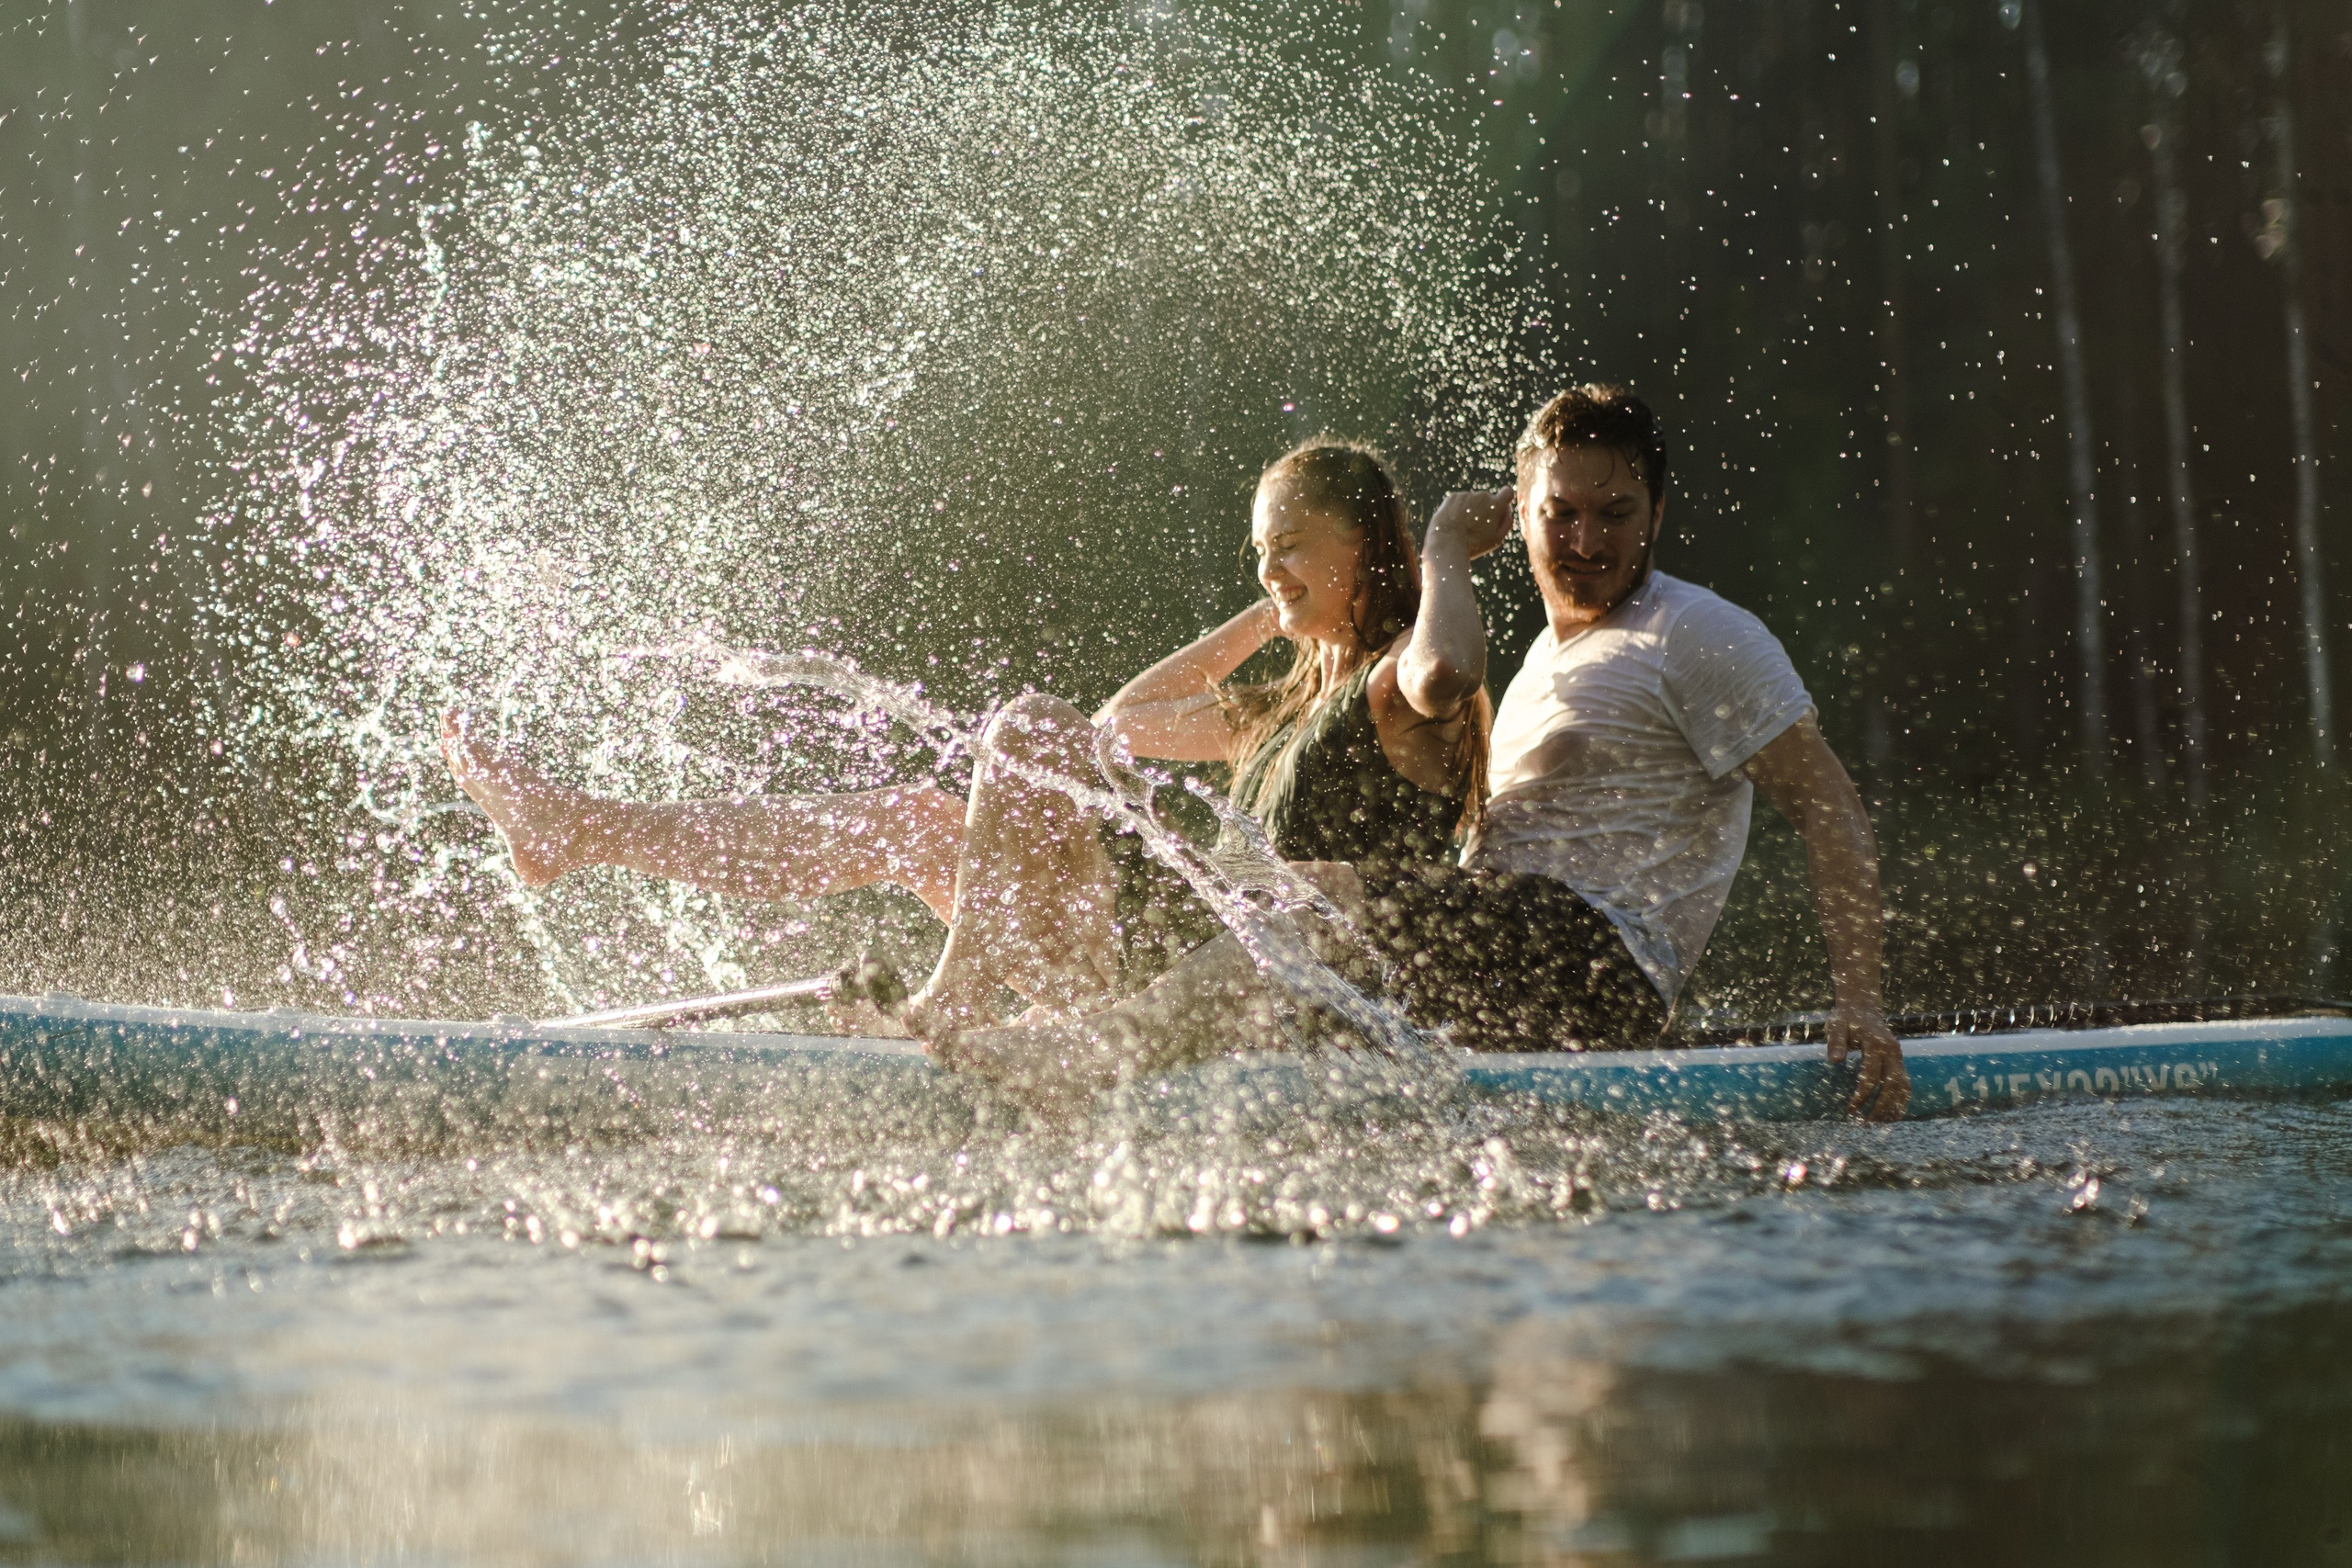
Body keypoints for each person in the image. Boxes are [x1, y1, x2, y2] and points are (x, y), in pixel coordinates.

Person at [951, 385, 1911, 1120]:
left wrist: (1860, 1002)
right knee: (1266, 910)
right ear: (1521, 516)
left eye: (1614, 514)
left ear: (1655, 514)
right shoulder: (1540, 660)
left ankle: (1093, 1063)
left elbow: (1827, 806)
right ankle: (1091, 1033)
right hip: (1493, 954)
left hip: (1600, 964)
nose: (1584, 540)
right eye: (1558, 515)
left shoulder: (1699, 634)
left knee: (1313, 893)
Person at [442, 438, 1491, 1039]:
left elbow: (1448, 664)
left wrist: (1435, 550)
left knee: (1026, 729)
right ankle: (575, 828)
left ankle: (951, 1002)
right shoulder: (1280, 709)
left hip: (1236, 989)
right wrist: (1279, 604)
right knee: (916, 816)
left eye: (1293, 547)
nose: (1268, 569)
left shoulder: (1400, 687)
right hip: (1163, 954)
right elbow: (1118, 726)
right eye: (1259, 553)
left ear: (1367, 546)